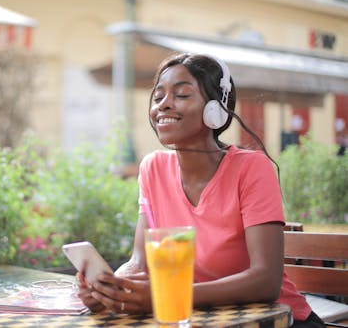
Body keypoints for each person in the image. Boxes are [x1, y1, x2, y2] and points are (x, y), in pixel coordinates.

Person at [76, 53, 324, 328]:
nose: (164, 105)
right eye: (158, 98)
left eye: (181, 95)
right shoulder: (153, 168)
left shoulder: (252, 168)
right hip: (203, 320)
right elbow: (140, 262)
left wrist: (169, 295)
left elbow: (266, 280)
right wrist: (112, 289)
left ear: (215, 110)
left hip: (278, 321)